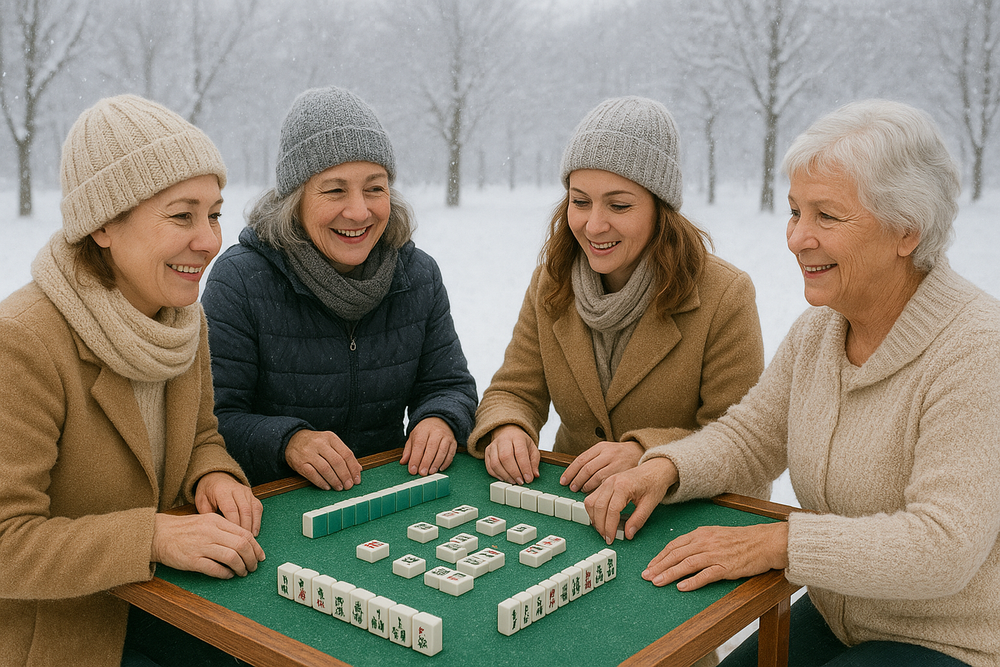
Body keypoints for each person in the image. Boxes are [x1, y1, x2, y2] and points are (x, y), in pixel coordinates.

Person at [586, 99, 1000, 667]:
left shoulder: (977, 349)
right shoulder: (820, 332)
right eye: (794, 212)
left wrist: (780, 543)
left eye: (826, 216)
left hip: (948, 643)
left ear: (908, 231)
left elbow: (943, 546)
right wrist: (664, 467)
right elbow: (751, 437)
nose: (797, 238)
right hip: (840, 616)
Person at [0, 95, 264, 667]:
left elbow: (198, 438)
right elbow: (6, 542)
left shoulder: (180, 319)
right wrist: (153, 536)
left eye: (214, 213)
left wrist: (212, 475)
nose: (209, 240)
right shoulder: (22, 341)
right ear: (103, 225)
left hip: (174, 614)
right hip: (71, 642)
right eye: (181, 215)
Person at [467, 96, 765, 496]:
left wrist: (649, 453)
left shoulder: (725, 295)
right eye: (580, 201)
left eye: (619, 205)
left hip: (682, 516)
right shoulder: (550, 282)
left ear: (662, 210)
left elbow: (740, 443)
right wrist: (508, 427)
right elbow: (514, 391)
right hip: (575, 504)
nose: (593, 225)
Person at [202, 86, 477, 490]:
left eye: (374, 187)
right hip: (277, 504)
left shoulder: (417, 276)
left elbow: (448, 385)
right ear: (294, 200)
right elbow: (213, 422)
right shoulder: (241, 280)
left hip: (388, 492)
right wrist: (288, 441)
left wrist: (439, 418)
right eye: (334, 190)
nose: (359, 211)